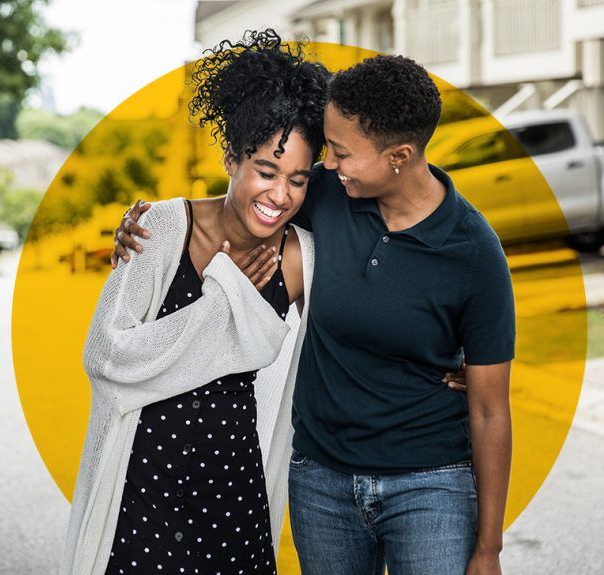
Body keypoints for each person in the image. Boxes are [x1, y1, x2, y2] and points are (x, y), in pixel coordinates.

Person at [114, 54, 515, 575]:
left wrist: (489, 550)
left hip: (429, 484)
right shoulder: (328, 192)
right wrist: (158, 222)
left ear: (399, 156)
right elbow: (250, 192)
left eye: (342, 153)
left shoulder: (473, 253)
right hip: (320, 482)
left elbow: (490, 410)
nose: (329, 164)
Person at [60, 30, 330, 575]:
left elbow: (359, 331)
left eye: (297, 181)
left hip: (232, 489)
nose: (279, 196)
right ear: (232, 158)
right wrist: (221, 301)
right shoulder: (163, 228)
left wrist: (448, 361)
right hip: (141, 484)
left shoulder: (301, 259)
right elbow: (106, 355)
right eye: (266, 171)